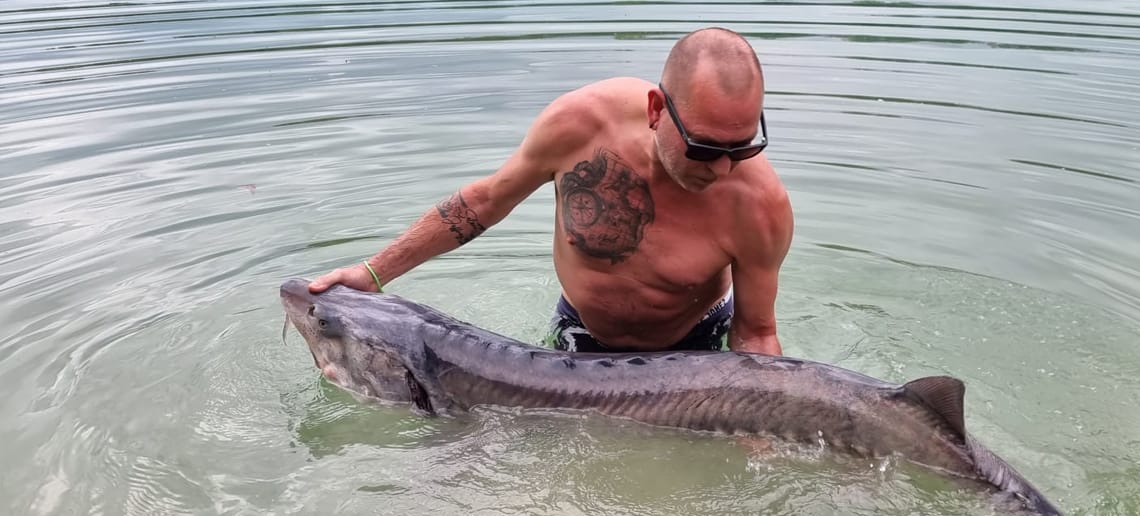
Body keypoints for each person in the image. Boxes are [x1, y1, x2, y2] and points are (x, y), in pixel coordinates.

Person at [309, 27, 794, 355]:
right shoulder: (580, 126)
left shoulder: (759, 207)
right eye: (705, 148)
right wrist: (374, 273)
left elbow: (756, 334)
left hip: (695, 343)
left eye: (744, 147)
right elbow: (485, 202)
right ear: (655, 110)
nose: (725, 168)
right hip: (579, 336)